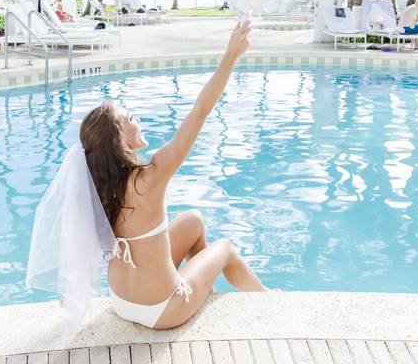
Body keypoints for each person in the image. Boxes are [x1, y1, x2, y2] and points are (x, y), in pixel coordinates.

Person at [26, 22, 266, 339]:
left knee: (194, 221)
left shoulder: (98, 186)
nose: (136, 118)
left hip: (122, 302)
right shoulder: (149, 177)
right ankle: (270, 302)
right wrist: (231, 55)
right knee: (224, 249)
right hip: (163, 309)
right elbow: (200, 112)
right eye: (129, 118)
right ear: (118, 140)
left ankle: (202, 291)